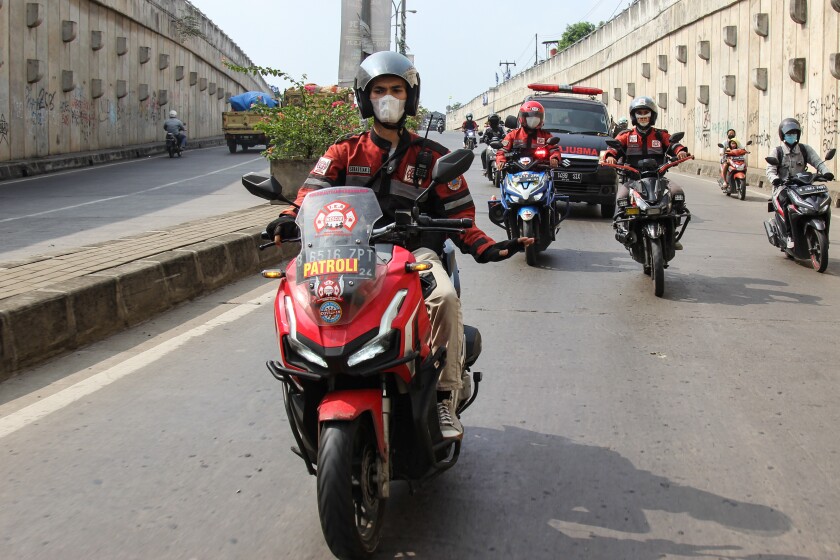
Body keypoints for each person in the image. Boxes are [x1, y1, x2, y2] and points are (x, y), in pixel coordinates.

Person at [266, 51, 533, 440]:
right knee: (299, 296)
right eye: (378, 90)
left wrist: (486, 248)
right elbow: (309, 197)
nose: (387, 97)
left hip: (412, 255)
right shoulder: (344, 152)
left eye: (396, 90)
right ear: (365, 98)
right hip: (347, 255)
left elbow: (461, 218)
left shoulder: (432, 157)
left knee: (443, 297)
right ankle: (310, 382)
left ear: (410, 97)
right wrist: (288, 219)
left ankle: (444, 396)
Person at [603, 96, 690, 245]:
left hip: (658, 179)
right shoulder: (626, 136)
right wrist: (610, 156)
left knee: (677, 193)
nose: (643, 116)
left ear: (652, 115)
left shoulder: (660, 135)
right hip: (632, 180)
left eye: (646, 113)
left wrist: (681, 151)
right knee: (621, 198)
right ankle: (623, 229)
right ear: (634, 116)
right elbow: (613, 148)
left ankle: (672, 230)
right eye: (640, 113)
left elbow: (673, 144)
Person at [766, 117, 834, 248]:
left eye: (794, 134)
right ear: (782, 135)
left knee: (823, 202)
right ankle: (790, 235)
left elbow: (818, 162)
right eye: (789, 134)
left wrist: (826, 172)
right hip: (784, 187)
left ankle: (825, 234)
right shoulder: (777, 151)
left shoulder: (804, 149)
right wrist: (775, 179)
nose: (792, 136)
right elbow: (770, 170)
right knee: (787, 203)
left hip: (804, 186)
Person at [495, 100, 562, 170]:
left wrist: (554, 158)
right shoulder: (513, 135)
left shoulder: (546, 135)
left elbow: (555, 150)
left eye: (537, 118)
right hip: (515, 170)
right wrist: (501, 161)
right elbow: (502, 151)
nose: (533, 121)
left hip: (539, 170)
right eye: (530, 118)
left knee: (550, 180)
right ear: (523, 118)